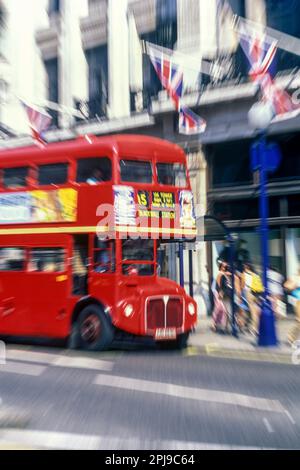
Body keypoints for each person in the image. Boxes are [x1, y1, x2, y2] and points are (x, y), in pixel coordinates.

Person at [284, 269, 300, 344]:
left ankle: (292, 338)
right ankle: (291, 337)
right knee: (299, 320)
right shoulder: (295, 277)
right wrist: (294, 286)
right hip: (298, 301)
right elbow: (286, 285)